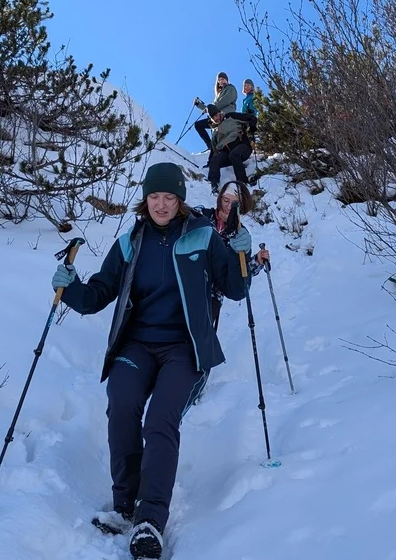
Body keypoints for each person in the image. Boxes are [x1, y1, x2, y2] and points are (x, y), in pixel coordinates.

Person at [50, 161, 255, 560]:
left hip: (186, 348)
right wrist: (69, 289)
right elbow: (97, 295)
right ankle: (125, 505)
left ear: (180, 200)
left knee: (160, 418)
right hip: (138, 346)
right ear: (146, 200)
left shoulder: (202, 237)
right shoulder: (130, 243)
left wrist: (240, 257)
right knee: (122, 405)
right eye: (154, 196)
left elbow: (234, 289)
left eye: (169, 196)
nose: (161, 204)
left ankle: (150, 519)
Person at [193, 181, 270, 332]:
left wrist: (257, 261)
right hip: (189, 281)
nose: (228, 207)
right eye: (225, 201)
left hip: (213, 294)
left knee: (200, 336)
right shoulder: (201, 215)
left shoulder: (241, 234)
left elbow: (240, 271)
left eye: (234, 203)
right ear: (219, 199)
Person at [206, 103, 255, 192]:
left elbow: (250, 118)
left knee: (234, 154)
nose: (216, 118)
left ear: (220, 112)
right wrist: (209, 162)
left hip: (242, 146)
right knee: (216, 159)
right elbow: (214, 150)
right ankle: (213, 183)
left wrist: (252, 127)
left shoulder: (231, 117)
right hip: (227, 153)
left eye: (217, 115)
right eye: (214, 118)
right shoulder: (215, 132)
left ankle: (243, 182)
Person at [192, 72, 238, 155]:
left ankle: (220, 148)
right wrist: (200, 105)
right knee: (198, 125)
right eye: (219, 80)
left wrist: (209, 108)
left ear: (227, 80)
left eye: (223, 79)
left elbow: (224, 101)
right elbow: (212, 109)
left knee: (217, 132)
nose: (221, 81)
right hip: (216, 117)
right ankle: (210, 146)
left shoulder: (231, 88)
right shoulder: (219, 94)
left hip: (225, 115)